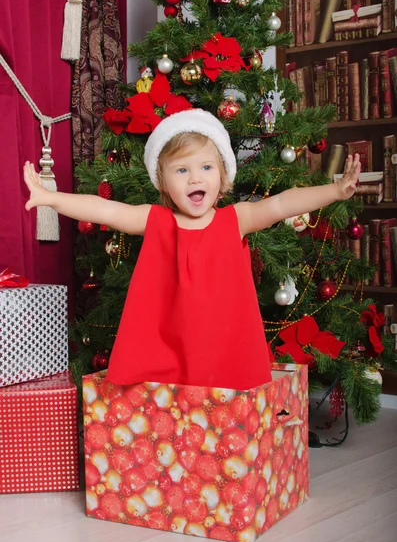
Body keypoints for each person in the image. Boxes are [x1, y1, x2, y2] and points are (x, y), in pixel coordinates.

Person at [24, 109, 361, 389]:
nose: (195, 179)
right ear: (164, 182)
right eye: (181, 170)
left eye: (206, 168)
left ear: (223, 175)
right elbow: (106, 210)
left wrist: (334, 191)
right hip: (170, 346)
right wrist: (51, 198)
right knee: (171, 414)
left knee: (224, 414)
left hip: (225, 343)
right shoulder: (157, 221)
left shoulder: (236, 219)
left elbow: (283, 204)